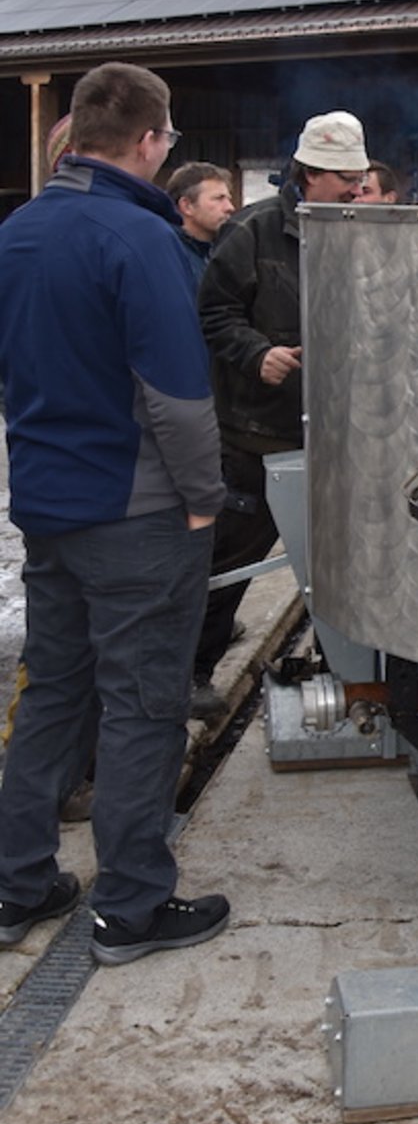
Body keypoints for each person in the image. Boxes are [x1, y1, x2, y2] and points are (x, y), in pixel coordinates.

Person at [0, 61, 230, 963]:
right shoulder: (142, 239)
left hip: (49, 506)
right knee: (142, 703)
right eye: (168, 138)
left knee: (55, 691)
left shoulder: (18, 230)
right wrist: (204, 498)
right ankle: (132, 905)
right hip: (138, 515)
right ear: (148, 140)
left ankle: (17, 883)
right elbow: (178, 396)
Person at [193, 111, 368, 707]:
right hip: (257, 433)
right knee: (231, 559)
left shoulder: (357, 229)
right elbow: (214, 313)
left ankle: (346, 670)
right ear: (310, 173)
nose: (356, 190)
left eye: (359, 179)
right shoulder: (252, 231)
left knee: (339, 560)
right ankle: (191, 672)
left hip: (336, 432)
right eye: (346, 179)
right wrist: (256, 353)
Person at [166, 161, 236, 287]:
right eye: (219, 199)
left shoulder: (216, 254)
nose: (230, 207)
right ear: (187, 206)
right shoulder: (168, 256)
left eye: (228, 199)